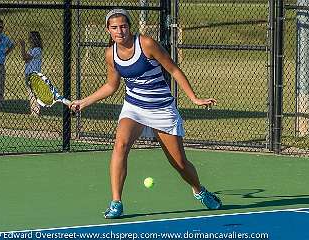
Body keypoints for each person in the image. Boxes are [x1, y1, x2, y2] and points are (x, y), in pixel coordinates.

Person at [70, 9, 222, 219]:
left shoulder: (146, 44)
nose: (119, 31)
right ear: (108, 30)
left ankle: (199, 190)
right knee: (120, 145)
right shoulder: (110, 54)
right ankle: (116, 202)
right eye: (114, 27)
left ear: (129, 26)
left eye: (123, 26)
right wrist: (84, 102)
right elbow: (111, 85)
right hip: (134, 108)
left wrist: (194, 98)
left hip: (162, 109)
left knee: (179, 164)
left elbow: (174, 70)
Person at [20, 31, 43, 116]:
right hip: (28, 73)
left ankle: (36, 112)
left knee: (34, 93)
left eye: (31, 37)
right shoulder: (31, 50)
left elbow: (26, 57)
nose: (29, 39)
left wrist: (23, 46)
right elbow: (24, 58)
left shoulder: (37, 49)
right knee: (30, 93)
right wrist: (23, 48)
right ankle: (33, 111)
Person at [0, 19, 14, 110]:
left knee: (0, 86)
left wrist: (5, 54)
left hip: (0, 65)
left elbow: (12, 45)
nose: (2, 29)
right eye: (0, 27)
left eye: (2, 27)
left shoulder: (4, 37)